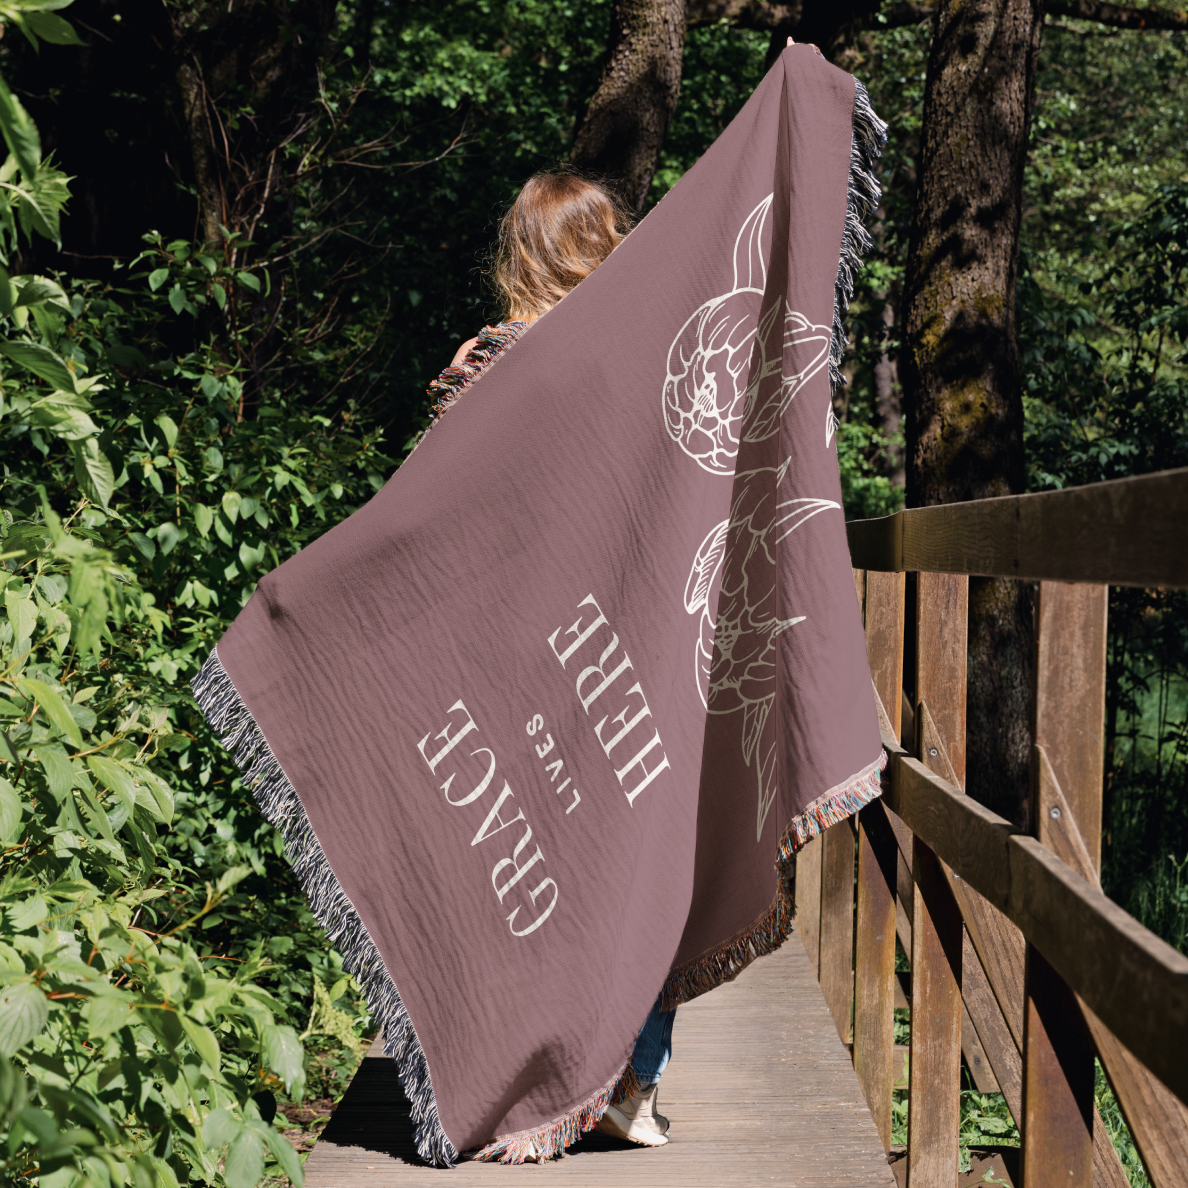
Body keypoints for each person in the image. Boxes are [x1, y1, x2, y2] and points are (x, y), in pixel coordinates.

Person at [426, 170, 675, 1151]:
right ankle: (631, 1087)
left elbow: (432, 515)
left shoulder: (475, 364)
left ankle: (510, 1085)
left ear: (519, 254)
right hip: (619, 644)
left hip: (503, 646)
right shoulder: (633, 360)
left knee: (513, 862)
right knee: (632, 860)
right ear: (604, 250)